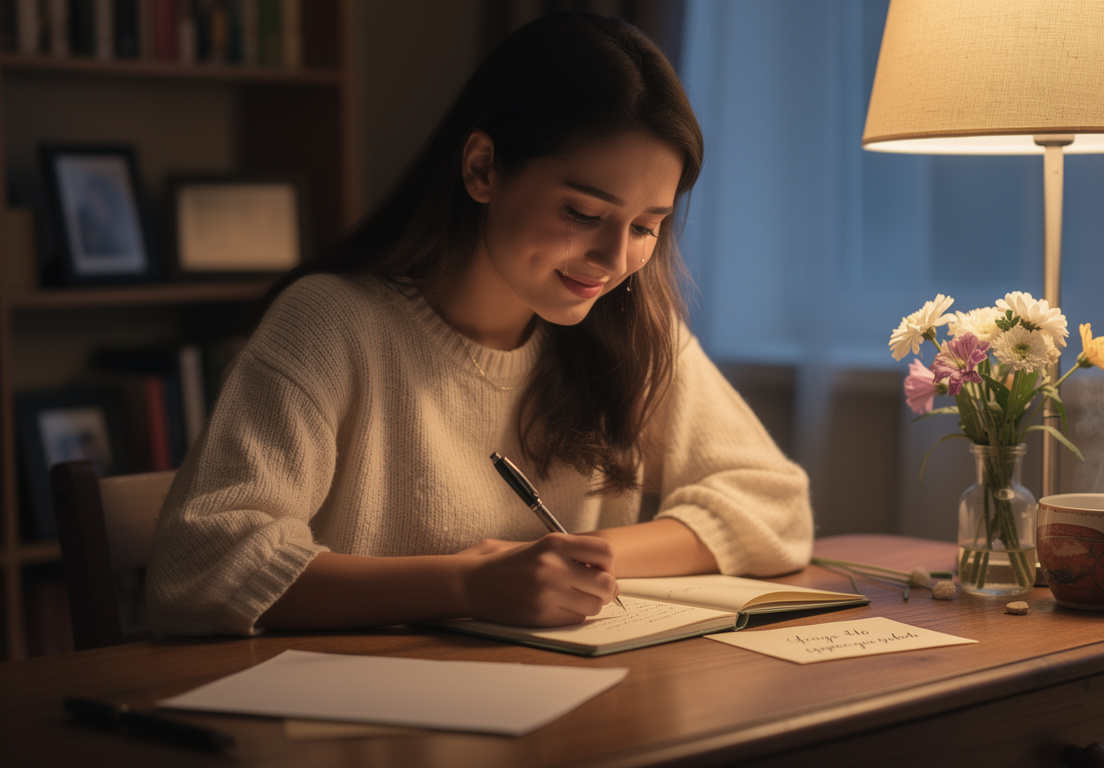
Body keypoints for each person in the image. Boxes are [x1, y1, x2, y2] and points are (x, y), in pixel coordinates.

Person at [145, 11, 814, 637]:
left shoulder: (632, 327)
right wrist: (468, 583)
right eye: (584, 213)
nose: (615, 262)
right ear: (483, 168)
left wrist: (576, 560)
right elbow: (201, 567)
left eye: (646, 226)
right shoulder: (332, 324)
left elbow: (774, 506)